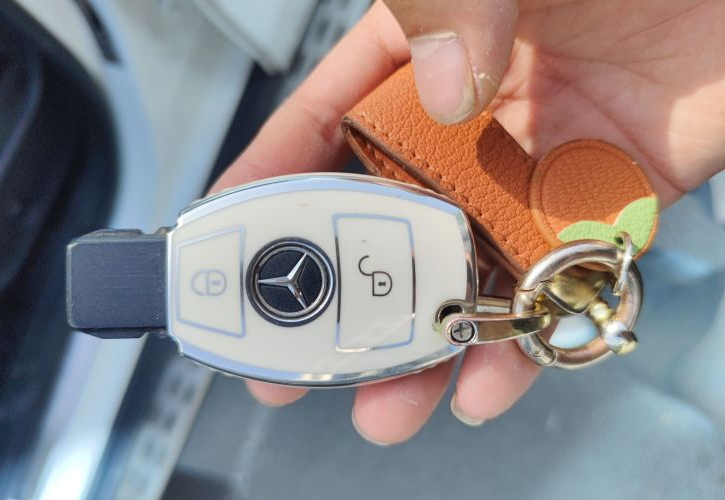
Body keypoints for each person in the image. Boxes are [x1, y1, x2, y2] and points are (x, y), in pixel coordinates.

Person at [209, 0, 725, 445]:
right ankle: (676, 326)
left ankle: (678, 330)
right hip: (597, 240)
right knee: (660, 308)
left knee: (666, 315)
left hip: (597, 239)